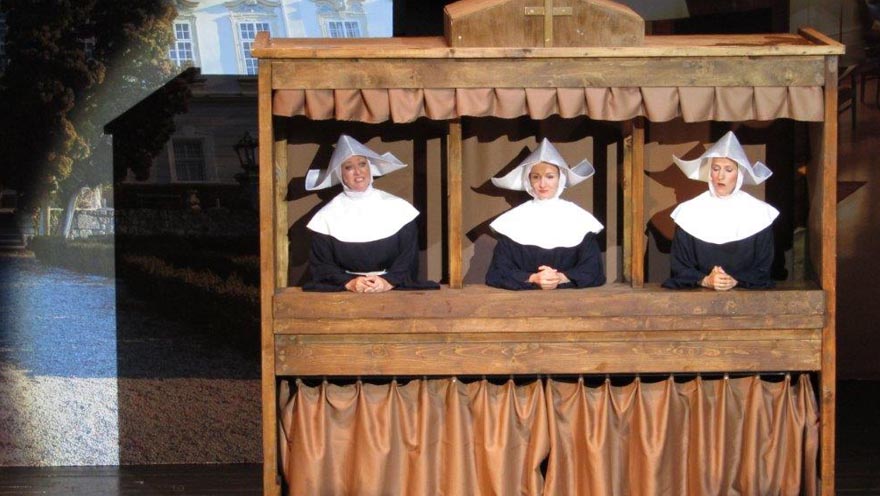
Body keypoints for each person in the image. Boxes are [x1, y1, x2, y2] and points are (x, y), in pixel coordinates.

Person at [303, 135, 439, 292]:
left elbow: (408, 258)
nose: (358, 172)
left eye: (362, 164)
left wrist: (388, 281)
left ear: (370, 168)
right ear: (340, 174)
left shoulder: (398, 208)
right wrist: (349, 283)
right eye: (348, 167)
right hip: (346, 294)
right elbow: (322, 265)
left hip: (393, 290)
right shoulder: (326, 217)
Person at [662, 131, 779, 290]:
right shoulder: (688, 212)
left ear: (739, 174)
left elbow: (763, 268)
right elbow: (679, 266)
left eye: (728, 170)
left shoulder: (759, 213)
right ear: (709, 172)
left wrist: (735, 280)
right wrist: (705, 280)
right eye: (716, 169)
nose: (720, 176)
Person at [485, 139, 605, 290]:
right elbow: (498, 271)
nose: (542, 184)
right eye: (536, 177)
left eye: (550, 176)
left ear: (560, 179)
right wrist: (533, 278)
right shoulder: (512, 221)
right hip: (521, 301)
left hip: (573, 301)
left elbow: (593, 270)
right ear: (528, 180)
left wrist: (560, 278)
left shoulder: (580, 219)